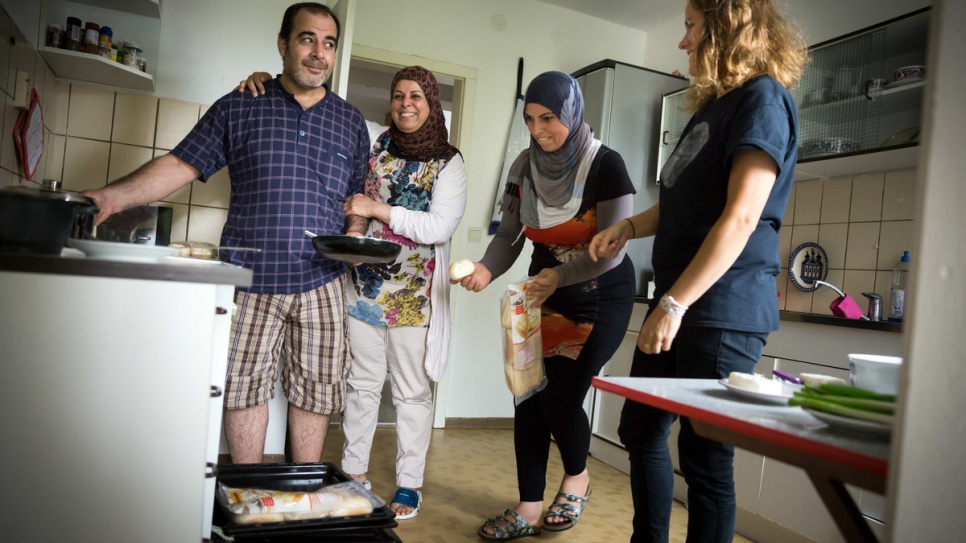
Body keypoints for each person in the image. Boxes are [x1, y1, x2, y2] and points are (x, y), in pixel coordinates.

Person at [84, 3, 371, 465]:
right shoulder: (240, 105)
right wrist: (115, 197)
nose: (319, 53)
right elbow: (181, 164)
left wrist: (355, 236)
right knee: (243, 390)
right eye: (307, 39)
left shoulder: (351, 122)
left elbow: (356, 199)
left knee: (316, 394)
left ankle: (302, 496)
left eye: (329, 43)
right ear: (283, 45)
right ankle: (246, 494)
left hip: (322, 281)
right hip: (248, 277)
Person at [588, 1, 807, 541]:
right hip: (684, 302)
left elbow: (742, 215)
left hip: (721, 308)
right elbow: (686, 200)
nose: (683, 42)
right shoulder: (712, 110)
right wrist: (629, 228)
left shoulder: (762, 100)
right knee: (640, 428)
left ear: (726, 24)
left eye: (690, 26)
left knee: (705, 455)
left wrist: (673, 303)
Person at [241, 65, 467, 519]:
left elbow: (439, 227)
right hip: (363, 289)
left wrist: (376, 208)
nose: (406, 103)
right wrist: (270, 80)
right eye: (399, 94)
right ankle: (354, 473)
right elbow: (319, 101)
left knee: (410, 394)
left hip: (414, 297)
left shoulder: (449, 162)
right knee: (360, 388)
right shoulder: (375, 139)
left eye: (416, 96)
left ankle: (408, 484)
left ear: (431, 102)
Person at [455, 71, 636, 541]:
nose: (538, 130)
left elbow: (611, 249)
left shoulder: (606, 165)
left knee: (560, 398)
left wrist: (560, 274)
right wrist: (485, 270)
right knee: (529, 398)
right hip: (545, 293)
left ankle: (577, 477)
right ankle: (529, 508)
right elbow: (509, 235)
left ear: (572, 113)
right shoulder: (523, 166)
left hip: (601, 295)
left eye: (549, 118)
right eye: (530, 118)